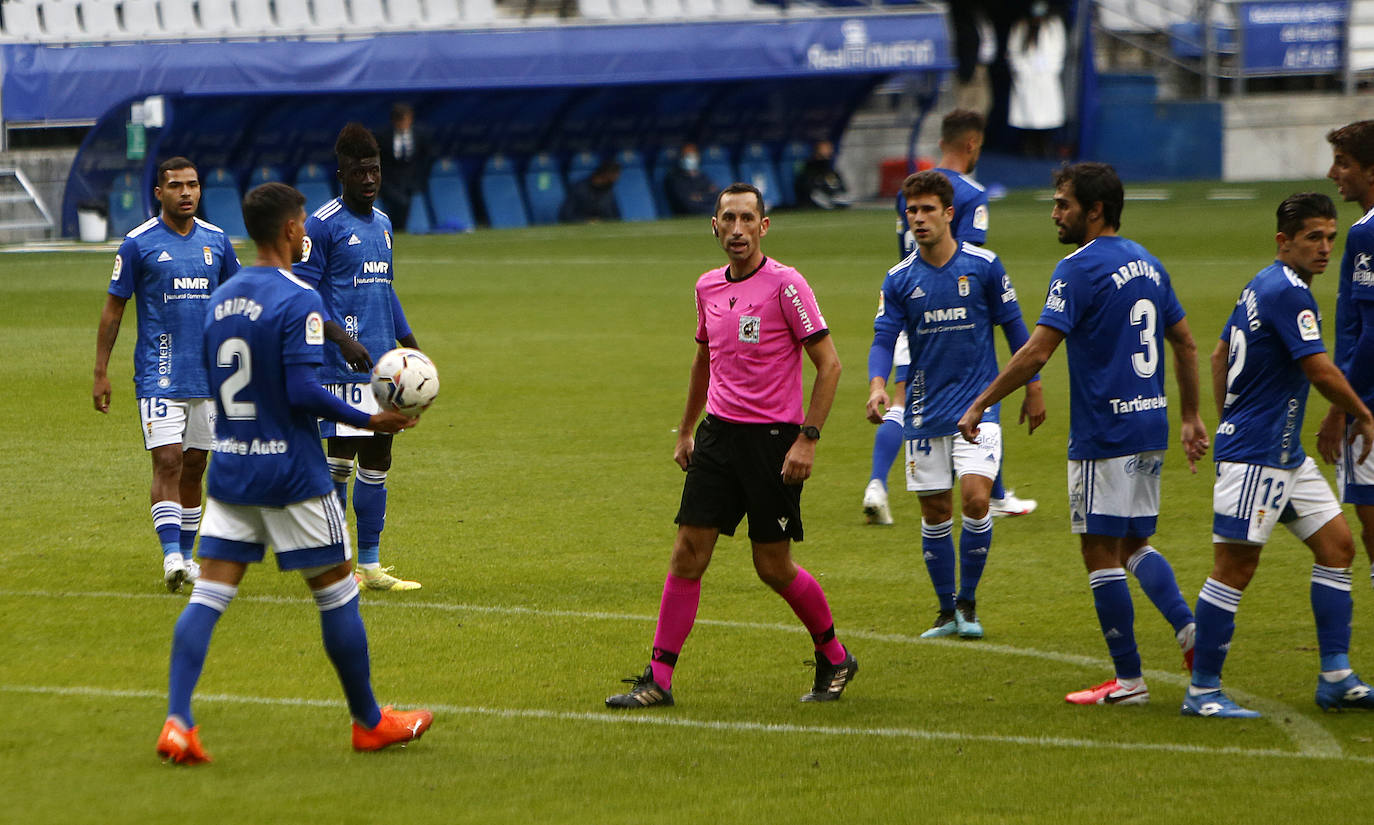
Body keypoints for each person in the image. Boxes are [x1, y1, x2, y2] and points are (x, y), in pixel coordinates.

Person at [155, 182, 432, 765]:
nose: (306, 229)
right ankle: (369, 723)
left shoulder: (222, 297)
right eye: (302, 221)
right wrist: (370, 419)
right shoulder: (298, 297)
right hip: (292, 473)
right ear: (288, 229)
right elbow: (305, 389)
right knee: (336, 592)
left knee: (208, 594)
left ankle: (178, 721)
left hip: (233, 471)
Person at [957, 162, 1204, 706]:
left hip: (1106, 429)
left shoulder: (1077, 268)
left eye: (1063, 204)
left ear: (1095, 211)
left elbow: (1037, 350)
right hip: (1151, 422)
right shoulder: (1148, 263)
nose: (1054, 213)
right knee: (1136, 541)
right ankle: (1191, 634)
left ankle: (1129, 679)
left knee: (1099, 549)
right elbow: (1184, 342)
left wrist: (981, 401)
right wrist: (1190, 415)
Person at [605, 183, 855, 708]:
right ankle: (658, 679)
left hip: (773, 443)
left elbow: (829, 365)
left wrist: (807, 439)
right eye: (728, 219)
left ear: (764, 227)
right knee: (687, 554)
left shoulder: (787, 286)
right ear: (714, 227)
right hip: (718, 436)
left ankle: (834, 655)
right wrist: (685, 429)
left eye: (747, 219)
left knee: (772, 567)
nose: (737, 230)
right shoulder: (706, 288)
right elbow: (704, 361)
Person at [1183, 193, 1374, 717]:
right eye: (1314, 237)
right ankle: (1202, 691)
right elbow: (1318, 368)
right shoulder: (1290, 294)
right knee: (1234, 567)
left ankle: (1336, 675)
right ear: (1283, 241)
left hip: (1283, 453)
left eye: (1331, 237)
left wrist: (1228, 417)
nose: (1325, 248)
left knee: (1337, 548)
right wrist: (1364, 412)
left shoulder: (1259, 285)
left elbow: (1221, 353)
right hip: (1258, 454)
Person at [867, 171, 1043, 639]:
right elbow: (884, 338)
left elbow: (1015, 327)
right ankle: (946, 611)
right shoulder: (900, 278)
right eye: (911, 211)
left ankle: (969, 601)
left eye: (928, 210)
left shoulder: (984, 266)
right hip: (924, 410)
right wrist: (878, 386)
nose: (919, 219)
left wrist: (1034, 383)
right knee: (935, 513)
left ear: (949, 214)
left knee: (976, 497)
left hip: (978, 406)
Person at [868, 109, 1035, 526]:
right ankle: (988, 495)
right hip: (949, 306)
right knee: (968, 387)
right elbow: (967, 259)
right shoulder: (971, 194)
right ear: (973, 144)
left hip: (908, 299)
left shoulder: (908, 191)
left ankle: (879, 484)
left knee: (907, 397)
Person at [93, 156, 240, 592]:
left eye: (193, 185)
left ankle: (187, 557)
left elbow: (237, 303)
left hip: (209, 377)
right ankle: (171, 555)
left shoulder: (218, 242)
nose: (187, 193)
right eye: (176, 186)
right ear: (159, 193)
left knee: (196, 464)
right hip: (159, 373)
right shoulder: (137, 244)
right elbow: (113, 309)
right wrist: (101, 371)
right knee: (169, 459)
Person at [294, 123, 422, 591]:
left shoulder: (385, 225)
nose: (369, 179)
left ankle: (370, 566)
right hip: (338, 364)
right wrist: (339, 340)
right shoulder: (322, 225)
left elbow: (385, 289)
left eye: (375, 170)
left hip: (383, 366)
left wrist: (410, 343)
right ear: (341, 174)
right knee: (341, 458)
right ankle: (334, 562)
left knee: (379, 457)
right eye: (359, 171)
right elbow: (303, 290)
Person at [1318, 120, 1374, 581]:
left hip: (1368, 409)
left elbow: (1370, 330)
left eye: (1344, 163)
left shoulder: (1366, 234)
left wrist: (1343, 406)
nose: (1334, 173)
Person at [1007, 1, 1067, 158]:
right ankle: (1028, 147)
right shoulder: (1021, 26)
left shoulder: (1054, 25)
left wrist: (1050, 69)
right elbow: (1013, 52)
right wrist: (1022, 69)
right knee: (1027, 114)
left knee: (1047, 114)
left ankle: (1044, 146)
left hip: (1047, 76)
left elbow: (1060, 50)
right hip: (1027, 76)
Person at [377, 103, 432, 234]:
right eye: (400, 120)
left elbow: (427, 157)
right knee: (399, 202)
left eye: (406, 120)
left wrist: (420, 179)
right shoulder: (383, 136)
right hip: (389, 181)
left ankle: (399, 231)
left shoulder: (420, 135)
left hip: (411, 180)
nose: (403, 123)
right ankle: (396, 230)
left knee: (404, 203)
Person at [794, 140, 852, 210]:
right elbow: (808, 187)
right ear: (818, 150)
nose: (830, 150)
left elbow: (839, 186)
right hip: (814, 201)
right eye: (826, 148)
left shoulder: (830, 170)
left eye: (830, 148)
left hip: (832, 199)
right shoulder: (810, 168)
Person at [665, 143, 717, 216]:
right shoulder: (675, 178)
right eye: (688, 155)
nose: (692, 158)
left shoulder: (702, 176)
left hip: (709, 211)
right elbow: (687, 203)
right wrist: (706, 196)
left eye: (694, 155)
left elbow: (717, 195)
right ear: (681, 157)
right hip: (686, 216)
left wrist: (700, 197)